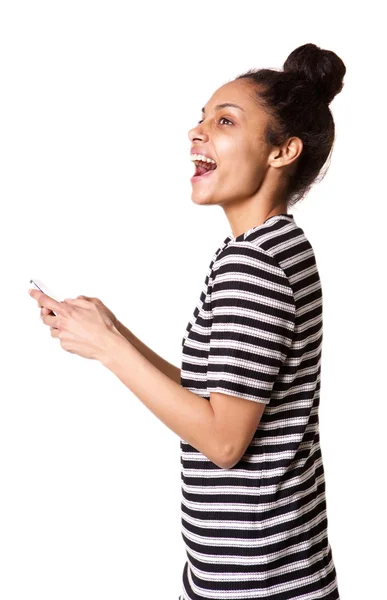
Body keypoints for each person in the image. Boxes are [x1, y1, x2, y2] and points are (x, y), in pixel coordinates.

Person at [34, 41, 346, 600]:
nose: (196, 132)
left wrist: (109, 350)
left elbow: (225, 441)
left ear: (282, 151)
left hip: (259, 582)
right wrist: (114, 331)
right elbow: (218, 398)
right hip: (247, 569)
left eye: (224, 121)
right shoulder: (271, 248)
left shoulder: (256, 264)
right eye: (200, 118)